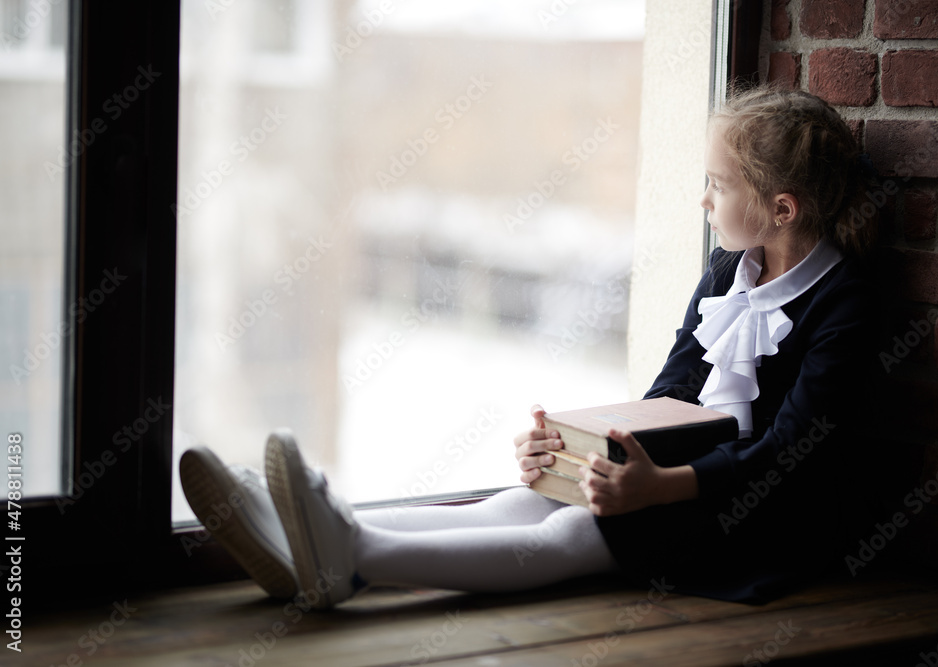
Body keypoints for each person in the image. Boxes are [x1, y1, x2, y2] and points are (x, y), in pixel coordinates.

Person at [180, 84, 881, 608]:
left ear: (781, 208)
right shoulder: (731, 271)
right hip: (691, 479)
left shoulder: (842, 304)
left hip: (765, 520)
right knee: (518, 504)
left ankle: (353, 559)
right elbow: (671, 393)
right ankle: (305, 534)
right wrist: (579, 451)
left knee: (574, 534)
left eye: (717, 185)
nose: (704, 200)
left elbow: (790, 454)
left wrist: (658, 486)